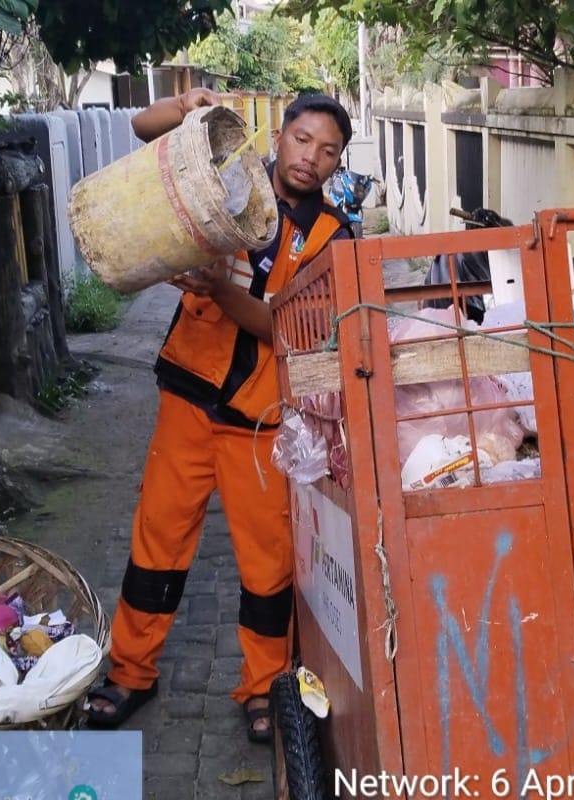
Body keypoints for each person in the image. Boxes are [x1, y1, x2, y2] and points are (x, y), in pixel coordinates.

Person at [85, 89, 354, 742]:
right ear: (280, 134)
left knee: (266, 567)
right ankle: (130, 672)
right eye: (302, 139)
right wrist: (181, 107)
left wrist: (222, 291)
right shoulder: (226, 179)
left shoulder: (334, 241)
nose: (310, 157)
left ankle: (263, 686)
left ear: (337, 165)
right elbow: (142, 131)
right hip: (187, 394)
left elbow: (287, 328)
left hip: (257, 419)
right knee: (157, 546)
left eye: (327, 151)